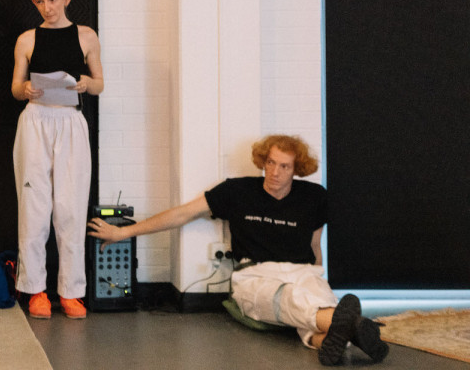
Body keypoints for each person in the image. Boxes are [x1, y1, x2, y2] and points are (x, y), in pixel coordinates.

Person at [87, 134, 389, 366]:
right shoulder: (238, 191)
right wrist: (124, 231)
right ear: (263, 161)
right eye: (270, 163)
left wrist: (320, 280)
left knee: (313, 300)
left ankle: (340, 337)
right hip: (255, 275)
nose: (275, 172)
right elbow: (183, 213)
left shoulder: (314, 196)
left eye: (284, 166)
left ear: (297, 169)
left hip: (303, 272)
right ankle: (352, 325)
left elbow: (314, 245)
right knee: (295, 301)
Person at [10, 0, 104, 320]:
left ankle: (71, 292)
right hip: (35, 119)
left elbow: (99, 84)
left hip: (70, 122)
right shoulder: (26, 40)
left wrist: (84, 83)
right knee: (34, 207)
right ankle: (35, 290)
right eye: (41, 2)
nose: (48, 8)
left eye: (53, 0)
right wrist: (25, 91)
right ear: (35, 3)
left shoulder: (86, 36)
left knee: (70, 206)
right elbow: (15, 87)